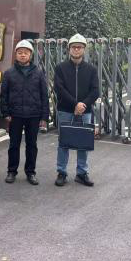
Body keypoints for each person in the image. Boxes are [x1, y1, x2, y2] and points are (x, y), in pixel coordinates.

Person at [0, 40, 50, 185]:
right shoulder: (9, 73)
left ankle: (30, 172)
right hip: (15, 115)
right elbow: (4, 95)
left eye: (26, 53)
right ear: (16, 54)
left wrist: (44, 117)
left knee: (31, 145)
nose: (23, 55)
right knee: (14, 145)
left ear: (30, 55)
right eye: (20, 52)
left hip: (33, 115)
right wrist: (6, 113)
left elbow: (44, 95)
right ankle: (11, 171)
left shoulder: (38, 73)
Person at [53, 33, 99, 187]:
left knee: (83, 143)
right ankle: (62, 172)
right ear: (69, 49)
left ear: (84, 49)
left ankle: (82, 173)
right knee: (63, 142)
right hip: (65, 110)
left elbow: (95, 91)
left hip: (85, 111)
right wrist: (75, 104)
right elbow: (59, 89)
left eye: (79, 47)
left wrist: (83, 105)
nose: (76, 49)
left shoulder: (91, 70)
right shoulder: (60, 68)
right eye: (74, 47)